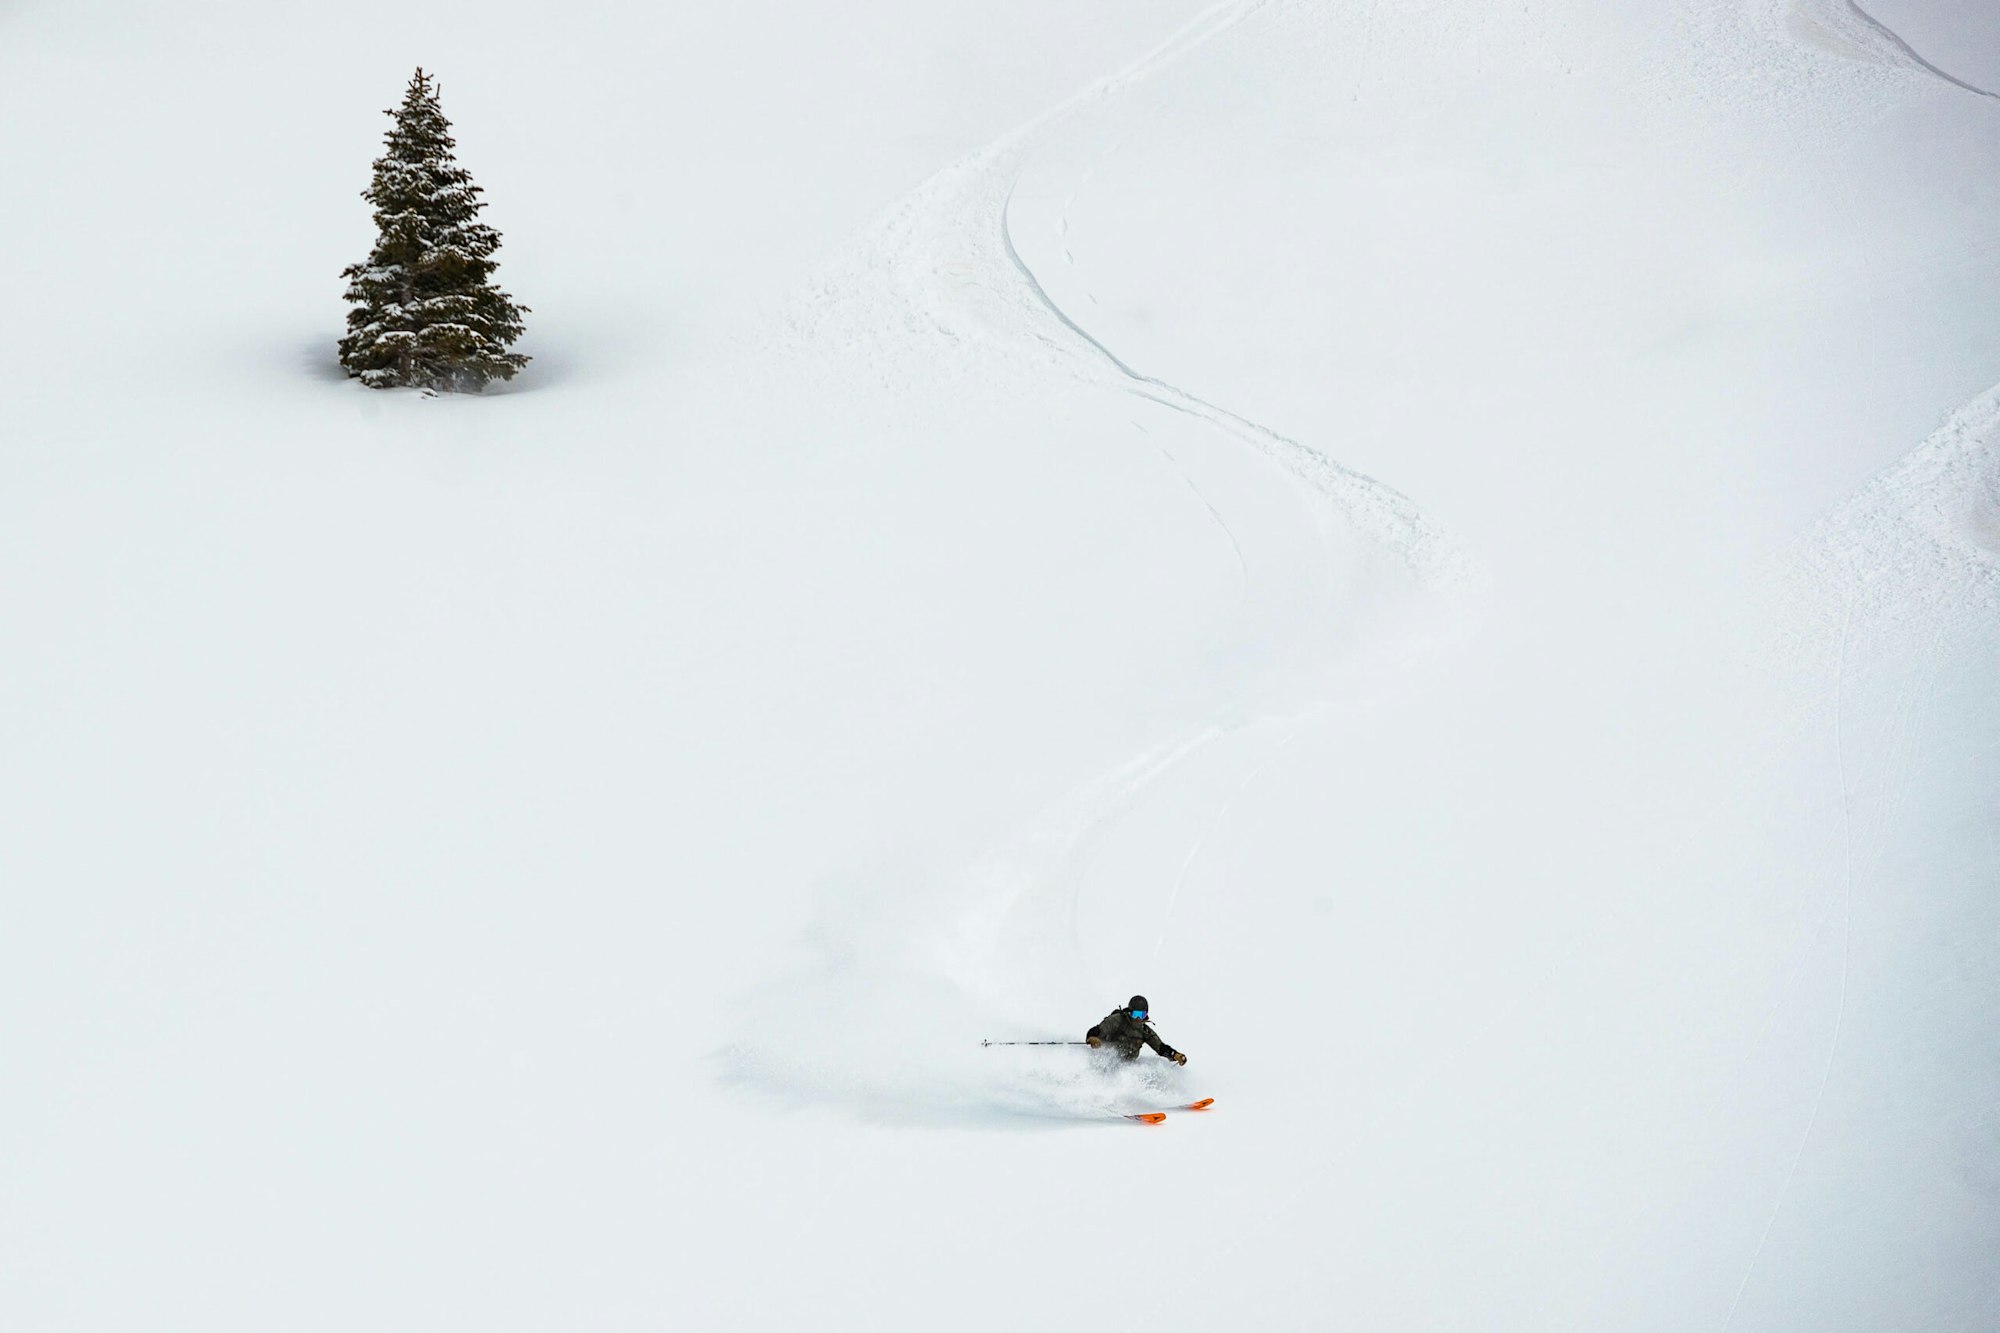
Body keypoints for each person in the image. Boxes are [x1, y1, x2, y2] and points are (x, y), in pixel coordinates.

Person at [1086, 994, 1186, 1064]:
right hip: (1105, 1060)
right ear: (1130, 1012)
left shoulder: (1145, 1031)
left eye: (1142, 1014)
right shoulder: (1117, 1020)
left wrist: (1175, 1055)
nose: (1138, 1018)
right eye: (1136, 1014)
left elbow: (1160, 1047)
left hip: (1127, 1067)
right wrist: (1092, 1038)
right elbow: (1095, 1030)